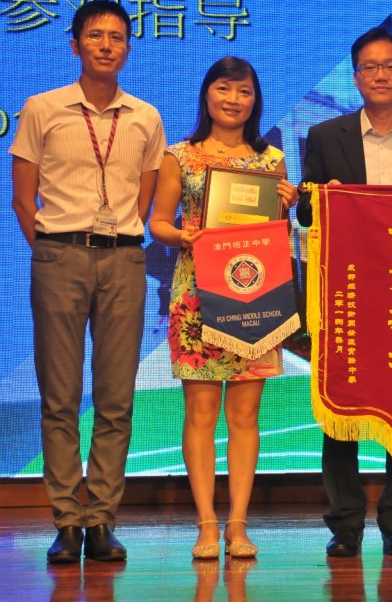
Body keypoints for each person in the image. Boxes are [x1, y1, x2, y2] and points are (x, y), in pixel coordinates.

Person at [10, 0, 166, 563]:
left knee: (115, 399)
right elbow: (23, 199)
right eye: (95, 35)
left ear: (128, 48)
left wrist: (115, 240)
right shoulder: (42, 108)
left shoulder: (146, 117)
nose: (106, 45)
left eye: (117, 37)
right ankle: (66, 522)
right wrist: (56, 252)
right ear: (75, 44)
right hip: (60, 256)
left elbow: (143, 200)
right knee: (59, 398)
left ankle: (101, 520)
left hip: (123, 260)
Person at [296, 27, 392, 558]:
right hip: (348, 295)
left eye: (390, 66)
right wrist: (324, 199)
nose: (380, 75)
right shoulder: (325, 136)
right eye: (369, 66)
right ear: (356, 76)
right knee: (342, 406)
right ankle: (345, 524)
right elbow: (306, 212)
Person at [149, 56, 299, 559]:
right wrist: (184, 236)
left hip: (257, 297)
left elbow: (274, 233)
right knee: (200, 414)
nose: (234, 100)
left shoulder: (272, 161)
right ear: (207, 93)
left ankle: (238, 524)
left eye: (244, 91)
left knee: (246, 415)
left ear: (256, 100)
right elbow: (158, 223)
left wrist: (287, 203)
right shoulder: (180, 156)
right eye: (224, 88)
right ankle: (206, 525)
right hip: (198, 296)